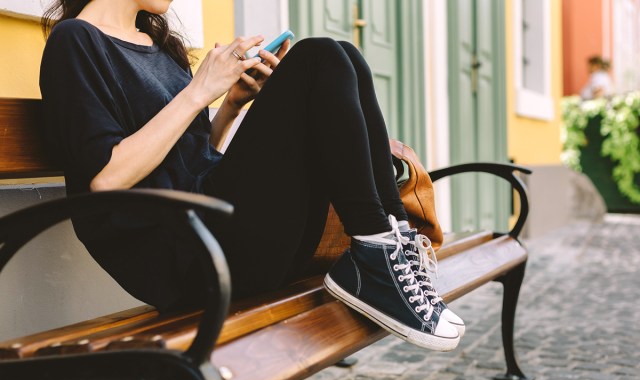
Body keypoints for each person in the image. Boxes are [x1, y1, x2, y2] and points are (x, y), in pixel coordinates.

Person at [39, 0, 464, 352]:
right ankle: (374, 257)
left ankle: (389, 242)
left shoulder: (158, 44)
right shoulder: (74, 42)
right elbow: (106, 179)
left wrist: (230, 107)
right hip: (187, 259)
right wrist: (199, 91)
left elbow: (194, 158)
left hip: (218, 228)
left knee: (342, 55)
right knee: (317, 57)